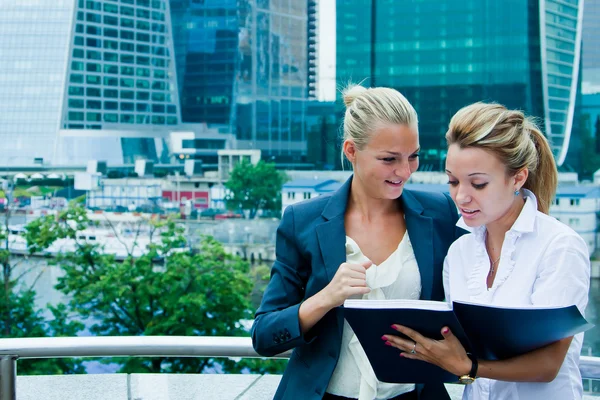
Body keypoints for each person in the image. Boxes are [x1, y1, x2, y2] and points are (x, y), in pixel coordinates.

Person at [251, 84, 463, 400]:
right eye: (389, 159)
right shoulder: (302, 221)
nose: (405, 172)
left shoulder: (440, 212)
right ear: (351, 151)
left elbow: (469, 305)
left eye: (413, 156)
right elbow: (265, 336)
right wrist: (326, 297)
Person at [384, 103, 590, 399]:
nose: (461, 196)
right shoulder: (459, 254)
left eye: (478, 184)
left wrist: (469, 366)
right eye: (452, 181)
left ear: (518, 178)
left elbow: (548, 364)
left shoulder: (559, 247)